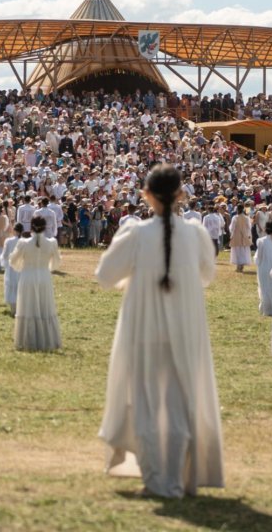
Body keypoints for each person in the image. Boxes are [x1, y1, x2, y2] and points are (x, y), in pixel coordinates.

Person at [95, 163, 223, 499]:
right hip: (185, 327)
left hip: (144, 328)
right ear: (181, 195)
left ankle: (158, 481)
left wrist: (133, 278)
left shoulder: (136, 234)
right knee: (180, 403)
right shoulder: (195, 234)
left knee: (147, 402)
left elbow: (105, 275)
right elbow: (207, 275)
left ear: (146, 195)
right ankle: (177, 477)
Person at [9, 216, 62, 352]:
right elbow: (56, 263)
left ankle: (28, 340)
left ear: (31, 227)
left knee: (28, 306)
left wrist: (24, 267)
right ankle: (46, 339)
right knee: (45, 306)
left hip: (28, 276)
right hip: (44, 277)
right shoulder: (51, 242)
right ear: (45, 227)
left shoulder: (23, 243)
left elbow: (13, 261)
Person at [1, 223, 23, 316]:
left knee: (11, 286)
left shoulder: (9, 241)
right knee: (20, 288)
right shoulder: (24, 241)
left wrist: (4, 263)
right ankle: (21, 308)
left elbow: (5, 255)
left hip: (11, 267)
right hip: (22, 267)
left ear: (14, 230)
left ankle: (13, 309)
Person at [229, 206, 252, 272]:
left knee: (237, 250)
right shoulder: (246, 218)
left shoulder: (235, 217)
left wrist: (231, 234)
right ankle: (241, 265)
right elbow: (249, 227)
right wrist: (248, 235)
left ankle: (239, 265)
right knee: (243, 250)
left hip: (236, 235)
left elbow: (232, 228)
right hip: (244, 235)